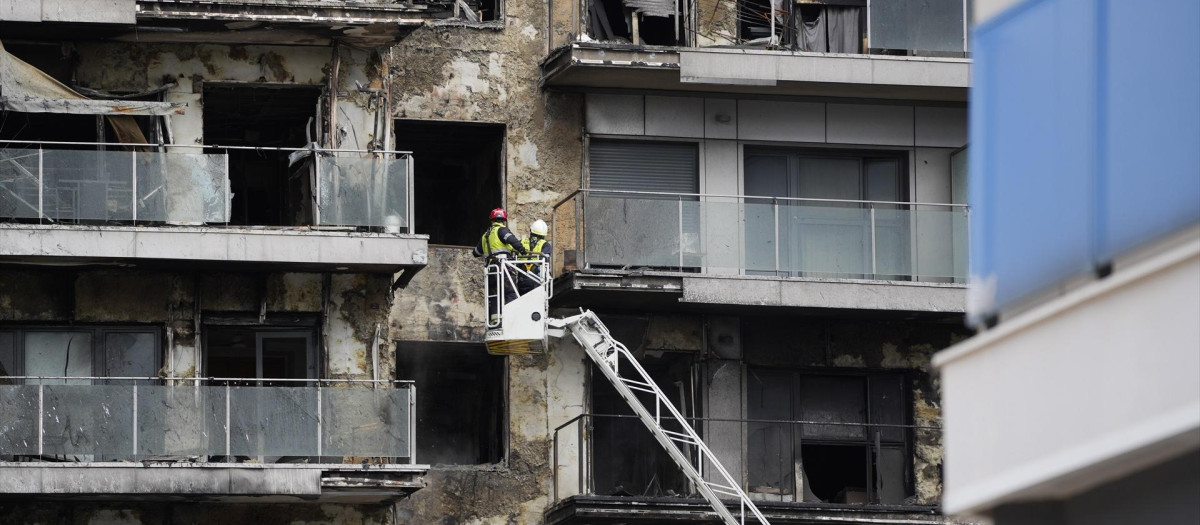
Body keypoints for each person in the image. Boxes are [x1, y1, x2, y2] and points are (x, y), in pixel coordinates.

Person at [473, 208, 526, 324]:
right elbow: (512, 240)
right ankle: (512, 320)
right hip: (503, 268)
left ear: (492, 220)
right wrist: (522, 250)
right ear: (503, 220)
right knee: (511, 292)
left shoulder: (485, 236)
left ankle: (495, 322)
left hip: (491, 270)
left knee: (494, 295)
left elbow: (476, 252)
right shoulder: (502, 230)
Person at [516, 219, 553, 295]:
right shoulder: (545, 245)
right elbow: (545, 259)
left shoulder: (521, 242)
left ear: (531, 231)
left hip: (521, 279)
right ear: (543, 235)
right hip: (537, 280)